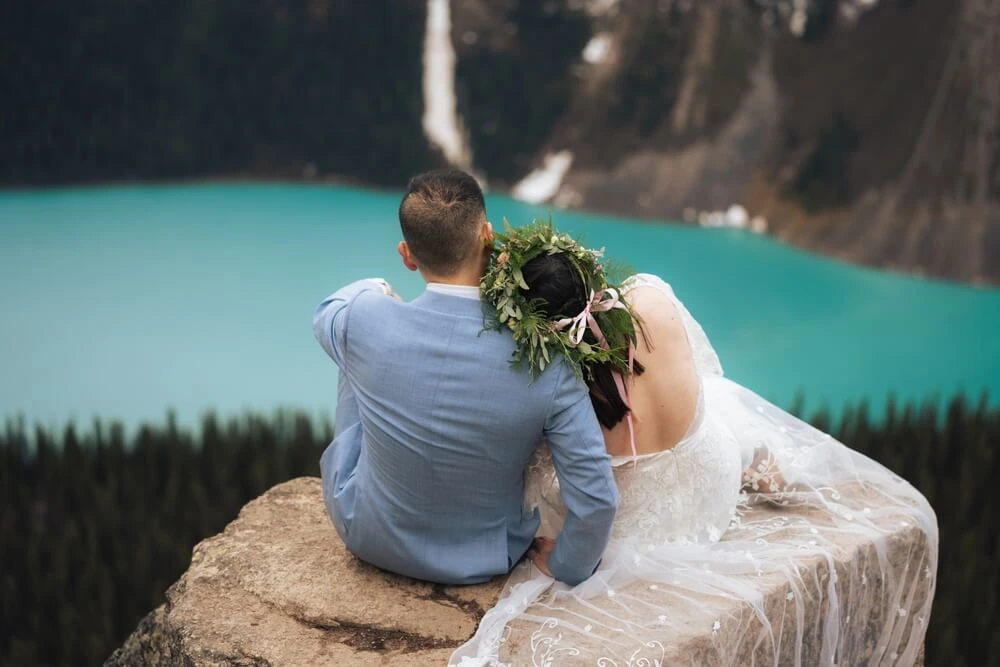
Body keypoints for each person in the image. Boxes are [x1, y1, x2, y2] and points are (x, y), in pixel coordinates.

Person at [450, 221, 938, 665]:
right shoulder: (651, 296)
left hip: (645, 535)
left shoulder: (561, 395)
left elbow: (545, 482)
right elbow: (708, 373)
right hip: (714, 482)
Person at [312, 170, 618, 586]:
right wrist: (568, 565)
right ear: (487, 235)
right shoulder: (546, 364)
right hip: (486, 559)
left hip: (367, 537)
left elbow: (329, 309)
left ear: (407, 255)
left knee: (356, 351)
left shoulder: (366, 320)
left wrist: (382, 289)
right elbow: (597, 500)